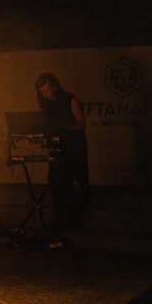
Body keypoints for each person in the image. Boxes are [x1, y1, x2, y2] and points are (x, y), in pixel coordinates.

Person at [36, 73, 89, 231]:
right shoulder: (45, 103)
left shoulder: (70, 99)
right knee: (54, 183)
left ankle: (72, 222)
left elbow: (81, 125)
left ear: (54, 86)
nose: (45, 95)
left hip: (72, 147)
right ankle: (59, 220)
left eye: (47, 91)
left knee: (66, 183)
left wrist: (62, 128)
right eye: (42, 92)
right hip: (56, 148)